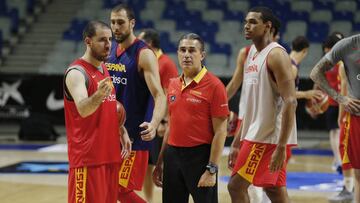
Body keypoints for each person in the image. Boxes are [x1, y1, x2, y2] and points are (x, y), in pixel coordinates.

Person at [227, 7, 297, 203]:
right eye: (245, 22)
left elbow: (291, 101)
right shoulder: (250, 54)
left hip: (268, 138)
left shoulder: (276, 55)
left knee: (235, 187)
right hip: (254, 131)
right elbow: (251, 106)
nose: (246, 26)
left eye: (253, 22)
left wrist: (281, 146)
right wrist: (236, 141)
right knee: (274, 190)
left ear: (267, 27)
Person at [152, 33, 229, 203]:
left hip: (200, 158)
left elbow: (221, 132)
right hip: (172, 155)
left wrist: (212, 169)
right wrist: (160, 161)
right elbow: (171, 125)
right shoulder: (172, 84)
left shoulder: (215, 86)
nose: (186, 54)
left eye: (192, 50)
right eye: (182, 50)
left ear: (202, 55)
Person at [63, 20, 131, 203]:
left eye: (110, 39)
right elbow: (84, 109)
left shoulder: (104, 69)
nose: (108, 44)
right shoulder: (77, 73)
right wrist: (99, 95)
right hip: (87, 161)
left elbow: (109, 109)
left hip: (110, 157)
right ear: (88, 41)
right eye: (102, 40)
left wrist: (121, 130)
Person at [106, 4, 167, 203]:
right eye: (113, 22)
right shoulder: (109, 48)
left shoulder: (144, 54)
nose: (116, 27)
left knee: (120, 190)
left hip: (133, 136)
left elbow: (160, 95)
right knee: (106, 189)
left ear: (132, 23)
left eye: (121, 22)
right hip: (108, 133)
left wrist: (155, 122)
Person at [310, 34, 360, 203]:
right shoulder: (347, 47)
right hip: (354, 117)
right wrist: (340, 99)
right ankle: (348, 188)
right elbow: (315, 73)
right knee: (358, 174)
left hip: (347, 115)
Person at [138, 28, 179, 203]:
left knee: (163, 167)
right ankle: (148, 200)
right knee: (147, 166)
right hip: (148, 118)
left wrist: (164, 121)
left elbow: (171, 94)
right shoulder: (145, 61)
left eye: (140, 42)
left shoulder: (166, 63)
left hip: (160, 122)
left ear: (149, 44)